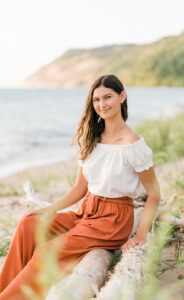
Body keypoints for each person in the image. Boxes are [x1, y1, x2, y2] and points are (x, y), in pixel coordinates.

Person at [0, 74, 161, 299]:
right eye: (96, 100)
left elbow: (154, 194)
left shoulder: (133, 145)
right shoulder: (92, 139)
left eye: (108, 97)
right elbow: (79, 189)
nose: (102, 104)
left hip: (112, 220)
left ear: (122, 97)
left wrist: (140, 234)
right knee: (29, 224)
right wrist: (49, 209)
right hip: (87, 211)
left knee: (47, 251)